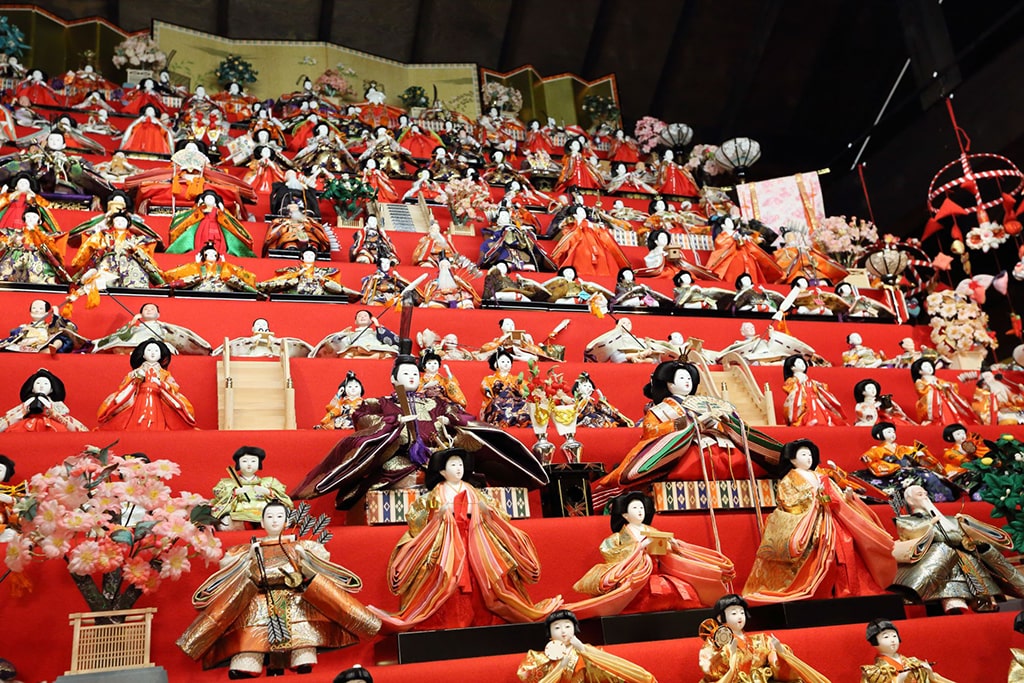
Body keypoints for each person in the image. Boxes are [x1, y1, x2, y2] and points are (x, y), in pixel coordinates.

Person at [291, 356, 547, 509]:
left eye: (415, 373)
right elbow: (361, 417)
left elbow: (462, 415)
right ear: (394, 378)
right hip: (400, 457)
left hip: (437, 453)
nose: (412, 376)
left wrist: (446, 420)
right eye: (405, 373)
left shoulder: (436, 401)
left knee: (459, 467)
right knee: (404, 476)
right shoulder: (380, 402)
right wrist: (394, 423)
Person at [176, 502, 381, 677]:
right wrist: (247, 559)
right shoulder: (250, 548)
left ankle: (302, 659)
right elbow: (227, 564)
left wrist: (305, 557)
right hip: (260, 595)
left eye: (279, 516)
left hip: (294, 595)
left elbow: (322, 558)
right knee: (253, 624)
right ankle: (246, 662)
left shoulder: (300, 545)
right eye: (270, 517)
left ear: (287, 521)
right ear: (262, 522)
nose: (274, 520)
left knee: (301, 621)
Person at [373, 448, 561, 630]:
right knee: (445, 578)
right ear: (441, 471)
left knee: (488, 581)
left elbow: (498, 512)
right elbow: (416, 519)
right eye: (453, 465)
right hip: (446, 541)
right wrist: (437, 515)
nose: (458, 468)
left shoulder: (474, 491)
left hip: (476, 539)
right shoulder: (433, 495)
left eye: (460, 464)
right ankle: (442, 623)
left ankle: (489, 622)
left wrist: (485, 511)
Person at [594, 361, 781, 506]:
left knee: (741, 459)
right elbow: (652, 430)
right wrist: (692, 423)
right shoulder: (660, 410)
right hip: (683, 446)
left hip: (716, 441)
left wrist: (726, 420)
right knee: (698, 461)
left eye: (689, 378)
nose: (687, 381)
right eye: (682, 378)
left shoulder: (705, 401)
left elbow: (732, 426)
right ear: (668, 383)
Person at [743, 440, 896, 602]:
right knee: (822, 548)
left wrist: (847, 496)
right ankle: (822, 590)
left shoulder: (821, 475)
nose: (808, 458)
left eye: (810, 454)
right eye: (803, 454)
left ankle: (849, 588)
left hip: (831, 518)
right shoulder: (788, 479)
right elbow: (788, 501)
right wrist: (815, 499)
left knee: (846, 543)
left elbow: (836, 494)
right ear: (792, 460)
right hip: (810, 523)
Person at [567, 492, 733, 618]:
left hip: (657, 574)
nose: (640, 511)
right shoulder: (617, 538)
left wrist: (673, 545)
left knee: (683, 592)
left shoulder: (653, 531)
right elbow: (610, 553)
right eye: (635, 508)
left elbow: (664, 551)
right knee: (643, 597)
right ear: (624, 514)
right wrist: (638, 547)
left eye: (641, 508)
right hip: (636, 577)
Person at [890, 484, 1024, 614]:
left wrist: (965, 527)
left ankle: (984, 599)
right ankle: (952, 600)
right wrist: (929, 525)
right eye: (920, 494)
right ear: (909, 500)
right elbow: (913, 534)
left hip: (962, 554)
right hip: (936, 554)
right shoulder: (907, 521)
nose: (925, 497)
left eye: (925, 493)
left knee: (971, 561)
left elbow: (957, 536)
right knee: (945, 556)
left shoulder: (948, 518)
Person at [698, 594, 829, 683]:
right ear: (720, 618)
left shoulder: (761, 640)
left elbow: (779, 665)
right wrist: (729, 654)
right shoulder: (713, 644)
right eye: (733, 613)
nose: (739, 616)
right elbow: (712, 672)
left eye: (742, 612)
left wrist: (778, 652)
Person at [516, 609, 656, 683]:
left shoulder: (586, 650)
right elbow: (526, 675)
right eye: (557, 628)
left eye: (567, 626)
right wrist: (560, 667)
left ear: (574, 629)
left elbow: (607, 668)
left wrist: (583, 649)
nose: (563, 631)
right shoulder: (538, 658)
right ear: (550, 634)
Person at [96, 339, 198, 431]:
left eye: (156, 351)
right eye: (149, 350)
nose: (152, 353)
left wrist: (160, 383)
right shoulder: (136, 372)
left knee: (158, 415)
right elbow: (125, 385)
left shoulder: (164, 374)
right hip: (140, 396)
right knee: (137, 415)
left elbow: (174, 386)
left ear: (160, 355)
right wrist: (136, 379)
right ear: (143, 355)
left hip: (158, 396)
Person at [853, 423, 956, 503]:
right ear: (879, 435)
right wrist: (894, 466)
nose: (892, 434)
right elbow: (870, 458)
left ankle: (943, 497)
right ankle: (930, 498)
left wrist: (921, 454)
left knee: (928, 473)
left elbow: (916, 455)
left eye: (893, 432)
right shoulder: (877, 449)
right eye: (888, 432)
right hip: (893, 473)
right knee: (922, 476)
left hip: (909, 470)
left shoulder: (903, 448)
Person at [210, 446, 293, 530]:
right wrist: (235, 492)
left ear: (259, 463)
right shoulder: (228, 484)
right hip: (239, 515)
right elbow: (219, 496)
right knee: (227, 523)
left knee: (277, 519)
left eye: (253, 461)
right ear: (238, 463)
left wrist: (268, 492)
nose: (249, 464)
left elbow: (284, 498)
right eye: (244, 461)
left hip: (264, 513)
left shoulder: (269, 482)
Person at [91, 302, 212, 355]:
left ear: (158, 315)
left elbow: (174, 336)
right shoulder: (136, 326)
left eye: (152, 309)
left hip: (153, 345)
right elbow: (121, 337)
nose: (149, 310)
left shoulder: (162, 326)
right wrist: (132, 323)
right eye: (146, 309)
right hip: (134, 344)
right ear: (141, 314)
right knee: (117, 347)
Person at [860, 618, 956, 683]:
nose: (892, 640)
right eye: (886, 637)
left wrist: (930, 675)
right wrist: (899, 680)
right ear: (874, 641)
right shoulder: (873, 672)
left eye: (894, 636)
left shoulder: (913, 662)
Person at [165, 190, 256, 258]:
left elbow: (225, 218)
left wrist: (221, 209)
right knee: (202, 238)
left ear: (215, 201)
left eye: (211, 198)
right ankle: (201, 250)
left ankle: (217, 251)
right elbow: (193, 216)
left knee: (217, 239)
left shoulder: (217, 210)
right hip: (203, 225)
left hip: (215, 225)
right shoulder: (202, 209)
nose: (209, 199)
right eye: (207, 198)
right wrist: (199, 207)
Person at [549, 205, 630, 277]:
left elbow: (601, 233)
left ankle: (602, 275)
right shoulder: (571, 221)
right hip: (579, 242)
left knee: (601, 257)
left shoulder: (591, 224)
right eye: (579, 211)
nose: (582, 212)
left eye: (583, 211)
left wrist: (600, 228)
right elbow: (565, 230)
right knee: (582, 256)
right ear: (574, 213)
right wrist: (578, 224)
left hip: (596, 243)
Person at [0, 369, 88, 432]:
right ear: (32, 389)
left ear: (51, 390)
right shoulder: (28, 402)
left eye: (46, 384)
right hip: (26, 423)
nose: (41, 386)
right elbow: (11, 418)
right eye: (38, 383)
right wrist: (25, 410)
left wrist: (51, 412)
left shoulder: (54, 404)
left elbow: (64, 417)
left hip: (52, 424)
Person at [0, 299, 90, 353]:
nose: (37, 310)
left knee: (60, 337)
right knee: (10, 344)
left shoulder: (48, 327)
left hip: (45, 343)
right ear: (30, 311)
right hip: (28, 344)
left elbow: (56, 327)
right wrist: (23, 330)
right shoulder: (25, 326)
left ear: (47, 312)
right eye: (34, 308)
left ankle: (53, 348)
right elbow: (14, 334)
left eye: (40, 308)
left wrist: (55, 315)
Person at [782, 355, 846, 426]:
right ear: (792, 367)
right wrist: (800, 384)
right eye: (799, 363)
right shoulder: (792, 380)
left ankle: (820, 421)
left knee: (819, 410)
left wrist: (817, 385)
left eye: (803, 362)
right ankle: (806, 421)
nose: (803, 364)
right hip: (803, 399)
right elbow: (790, 388)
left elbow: (816, 385)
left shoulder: (809, 380)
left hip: (813, 397)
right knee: (807, 411)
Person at [310, 309, 400, 359]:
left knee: (390, 352)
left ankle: (373, 357)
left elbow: (391, 340)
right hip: (357, 350)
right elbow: (343, 344)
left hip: (374, 348)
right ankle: (370, 358)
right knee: (346, 354)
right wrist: (340, 336)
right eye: (360, 316)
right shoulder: (351, 334)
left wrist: (377, 325)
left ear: (370, 320)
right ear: (355, 321)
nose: (362, 317)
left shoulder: (376, 332)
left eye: (365, 316)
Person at [911, 358, 977, 426]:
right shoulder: (920, 382)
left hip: (943, 401)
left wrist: (948, 386)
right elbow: (922, 391)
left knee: (949, 414)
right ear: (919, 371)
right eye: (925, 367)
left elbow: (950, 384)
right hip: (932, 404)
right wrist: (937, 387)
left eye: (930, 366)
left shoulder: (937, 380)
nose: (929, 368)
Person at [214, 318, 313, 359]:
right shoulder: (246, 342)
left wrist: (275, 342)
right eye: (259, 324)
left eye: (264, 325)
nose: (262, 326)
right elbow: (227, 350)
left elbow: (299, 349)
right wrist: (252, 341)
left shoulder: (276, 342)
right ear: (253, 329)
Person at [480, 349, 532, 427]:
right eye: (503, 362)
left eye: (508, 362)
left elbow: (526, 389)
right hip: (497, 402)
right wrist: (489, 394)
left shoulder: (516, 378)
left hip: (515, 402)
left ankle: (523, 423)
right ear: (495, 364)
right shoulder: (489, 379)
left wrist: (523, 392)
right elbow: (485, 388)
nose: (506, 364)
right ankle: (502, 423)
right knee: (496, 405)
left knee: (525, 404)